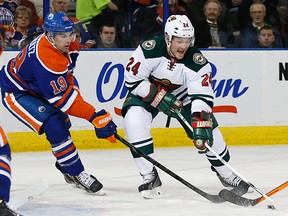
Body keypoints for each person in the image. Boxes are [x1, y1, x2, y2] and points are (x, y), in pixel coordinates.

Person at [121, 14, 250, 199]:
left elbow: (202, 95)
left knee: (209, 132)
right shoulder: (149, 50)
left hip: (184, 95)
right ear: (168, 38)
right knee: (133, 120)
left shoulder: (196, 61)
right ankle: (149, 176)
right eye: (179, 40)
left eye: (187, 40)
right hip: (148, 89)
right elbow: (133, 80)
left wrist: (199, 121)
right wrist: (159, 97)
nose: (183, 46)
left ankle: (227, 175)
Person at [0, 11, 117, 199]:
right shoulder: (46, 57)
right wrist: (95, 116)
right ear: (49, 36)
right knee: (55, 125)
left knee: (63, 123)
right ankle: (75, 172)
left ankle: (66, 163)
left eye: (70, 33)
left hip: (38, 86)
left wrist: (92, 114)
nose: (69, 39)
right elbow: (62, 100)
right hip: (17, 92)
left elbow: (68, 75)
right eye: (62, 35)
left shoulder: (69, 44)